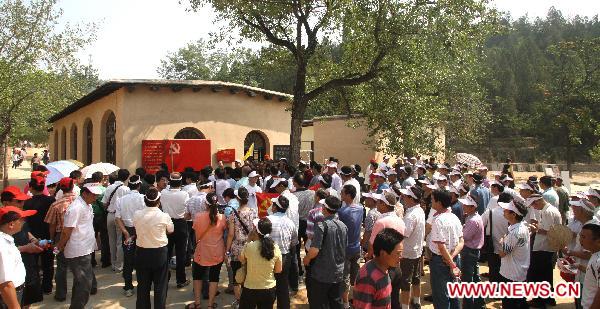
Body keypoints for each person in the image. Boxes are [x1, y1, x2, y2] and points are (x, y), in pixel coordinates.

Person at [55, 183, 102, 309]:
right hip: (78, 251)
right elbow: (67, 230)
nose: (96, 197)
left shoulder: (87, 205)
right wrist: (60, 245)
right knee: (84, 284)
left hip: (85, 248)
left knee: (80, 282)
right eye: (93, 194)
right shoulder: (76, 208)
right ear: (85, 193)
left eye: (97, 195)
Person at [303, 196, 348, 309]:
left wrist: (307, 259)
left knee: (318, 302)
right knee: (336, 301)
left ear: (324, 208)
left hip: (322, 274)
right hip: (338, 272)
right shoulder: (343, 226)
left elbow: (314, 250)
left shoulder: (321, 226)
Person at [133, 187, 174, 309]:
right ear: (158, 201)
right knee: (160, 285)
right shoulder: (164, 216)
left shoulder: (137, 214)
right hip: (159, 253)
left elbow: (135, 227)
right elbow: (171, 230)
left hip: (142, 252)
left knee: (143, 286)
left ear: (145, 200)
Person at [188, 193, 227, 309]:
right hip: (217, 251)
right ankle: (210, 304)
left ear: (205, 203)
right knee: (214, 278)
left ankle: (197, 303)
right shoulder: (222, 218)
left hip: (202, 251)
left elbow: (196, 237)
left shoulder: (198, 217)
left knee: (197, 276)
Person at [428, 189, 464, 309]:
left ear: (439, 203)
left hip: (440, 262)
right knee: (454, 294)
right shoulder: (454, 217)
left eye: (433, 200)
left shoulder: (438, 220)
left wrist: (451, 264)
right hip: (453, 259)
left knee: (441, 296)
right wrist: (452, 259)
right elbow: (461, 242)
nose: (431, 202)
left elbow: (441, 247)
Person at [43, 177, 77, 302]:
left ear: (61, 188)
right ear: (73, 187)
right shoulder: (80, 201)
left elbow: (51, 225)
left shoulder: (55, 204)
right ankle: (84, 290)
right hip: (77, 236)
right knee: (79, 264)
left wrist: (52, 239)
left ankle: (61, 294)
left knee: (62, 266)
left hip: (60, 235)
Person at [353, 228, 404, 309]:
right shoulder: (368, 278)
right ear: (383, 253)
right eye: (398, 253)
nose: (401, 257)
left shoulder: (385, 269)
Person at [526, 193, 561, 307]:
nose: (534, 208)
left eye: (533, 205)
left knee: (539, 276)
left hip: (543, 248)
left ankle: (539, 301)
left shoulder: (547, 212)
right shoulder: (548, 210)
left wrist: (536, 229)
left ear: (538, 201)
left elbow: (548, 231)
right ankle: (548, 299)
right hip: (546, 247)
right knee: (546, 275)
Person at [239, 218, 283, 309]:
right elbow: (278, 270)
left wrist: (248, 240)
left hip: (250, 289)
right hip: (269, 289)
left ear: (256, 231)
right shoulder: (275, 247)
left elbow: (241, 259)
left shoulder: (250, 246)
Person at [23, 175, 55, 296]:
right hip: (48, 237)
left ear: (31, 188)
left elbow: (25, 222)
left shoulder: (27, 203)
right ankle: (47, 287)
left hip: (32, 239)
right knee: (48, 263)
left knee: (33, 264)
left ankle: (35, 289)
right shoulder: (51, 200)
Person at [0, 206, 39, 308]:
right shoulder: (2, 245)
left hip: (17, 291)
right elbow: (5, 284)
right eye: (21, 220)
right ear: (11, 224)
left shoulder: (6, 240)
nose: (24, 222)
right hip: (10, 295)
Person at [225, 187, 258, 307]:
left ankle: (239, 302)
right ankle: (248, 301)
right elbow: (255, 232)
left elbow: (230, 234)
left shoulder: (234, 213)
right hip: (251, 247)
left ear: (238, 199)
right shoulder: (254, 212)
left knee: (236, 277)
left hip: (237, 248)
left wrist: (227, 251)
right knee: (249, 275)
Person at [115, 175, 145, 297]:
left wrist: (126, 232)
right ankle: (143, 285)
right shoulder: (143, 198)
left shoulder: (121, 200)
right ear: (139, 185)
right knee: (142, 259)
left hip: (127, 231)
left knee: (128, 259)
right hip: (141, 231)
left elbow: (118, 218)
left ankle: (128, 287)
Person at [498, 200, 530, 309]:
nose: (504, 211)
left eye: (506, 210)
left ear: (513, 214)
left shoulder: (514, 233)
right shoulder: (522, 227)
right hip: (518, 272)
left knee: (510, 304)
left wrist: (502, 241)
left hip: (511, 274)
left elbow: (502, 253)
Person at [161, 172, 191, 288]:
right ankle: (180, 279)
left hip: (167, 223)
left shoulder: (163, 193)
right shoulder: (184, 194)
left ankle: (164, 278)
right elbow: (188, 211)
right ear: (181, 182)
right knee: (181, 253)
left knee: (166, 252)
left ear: (169, 181)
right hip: (180, 224)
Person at [267, 195, 297, 309]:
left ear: (275, 207)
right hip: (284, 257)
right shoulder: (290, 223)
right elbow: (293, 243)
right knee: (283, 285)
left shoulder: (267, 220)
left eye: (273, 204)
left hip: (268, 257)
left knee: (268, 285)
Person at [399, 186, 425, 309]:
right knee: (416, 278)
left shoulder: (411, 215)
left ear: (411, 198)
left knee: (405, 282)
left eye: (405, 196)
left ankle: (405, 306)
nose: (403, 198)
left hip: (408, 252)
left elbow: (404, 233)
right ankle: (416, 301)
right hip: (417, 251)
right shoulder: (419, 210)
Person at [338, 185, 363, 308]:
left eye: (342, 192)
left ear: (348, 195)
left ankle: (346, 304)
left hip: (345, 249)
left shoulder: (342, 212)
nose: (340, 194)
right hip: (357, 247)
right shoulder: (361, 208)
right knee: (356, 276)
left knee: (345, 277)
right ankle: (356, 300)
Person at [458, 195, 485, 309]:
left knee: (467, 281)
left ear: (473, 207)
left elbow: (464, 236)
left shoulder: (473, 221)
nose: (463, 207)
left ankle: (468, 305)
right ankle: (479, 303)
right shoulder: (472, 217)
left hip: (469, 252)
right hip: (472, 252)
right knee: (474, 278)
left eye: (466, 205)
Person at [102, 168, 130, 272]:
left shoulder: (109, 187)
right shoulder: (126, 189)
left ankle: (113, 263)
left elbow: (104, 203)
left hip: (110, 215)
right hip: (120, 217)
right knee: (119, 241)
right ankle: (119, 265)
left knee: (111, 240)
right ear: (127, 178)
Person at [481, 192, 511, 283]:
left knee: (493, 270)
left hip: (492, 247)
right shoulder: (511, 214)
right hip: (508, 248)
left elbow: (481, 225)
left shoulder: (489, 212)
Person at [292, 173, 315, 279]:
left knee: (296, 248)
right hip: (309, 222)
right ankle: (309, 267)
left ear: (296, 183)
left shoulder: (293, 196)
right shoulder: (312, 193)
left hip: (298, 222)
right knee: (308, 245)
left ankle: (298, 270)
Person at [580, 223, 600, 309]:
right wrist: (578, 266)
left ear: (598, 241)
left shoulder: (598, 260)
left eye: (584, 237)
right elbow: (594, 274)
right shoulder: (595, 255)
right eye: (581, 236)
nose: (580, 240)